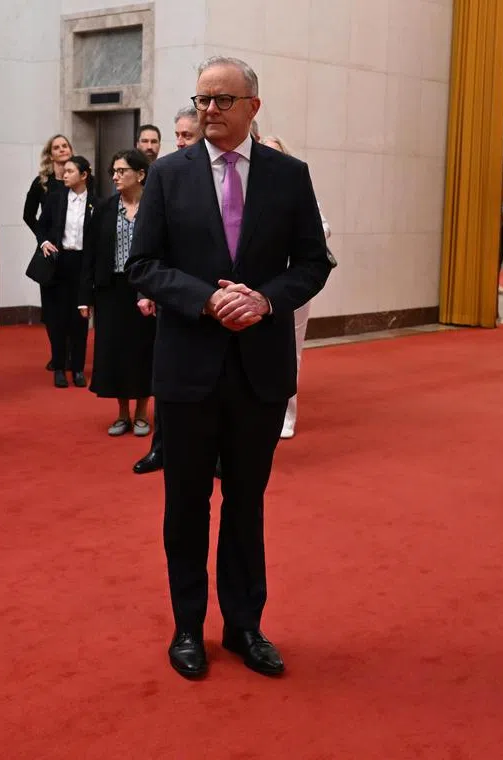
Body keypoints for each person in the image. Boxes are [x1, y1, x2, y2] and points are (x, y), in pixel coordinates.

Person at [127, 56, 331, 679]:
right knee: (186, 503)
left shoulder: (289, 176)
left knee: (246, 503)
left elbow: (313, 263)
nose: (209, 109)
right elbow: (143, 265)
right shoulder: (167, 175)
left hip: (258, 371)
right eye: (202, 99)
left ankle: (244, 625)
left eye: (222, 100)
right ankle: (188, 627)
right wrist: (205, 297)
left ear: (253, 107)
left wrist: (266, 299)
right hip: (188, 367)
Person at [132, 106, 203, 476]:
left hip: (210, 297)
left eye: (186, 136)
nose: (178, 142)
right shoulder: (166, 174)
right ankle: (160, 448)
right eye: (176, 135)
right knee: (167, 381)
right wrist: (150, 290)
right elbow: (149, 249)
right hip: (170, 295)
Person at [78, 149, 155, 435]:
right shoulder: (105, 208)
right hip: (111, 290)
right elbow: (91, 254)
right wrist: (84, 296)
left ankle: (143, 414)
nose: (116, 177)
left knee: (142, 351)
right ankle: (122, 413)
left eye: (122, 171)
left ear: (141, 174)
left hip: (146, 289)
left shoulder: (155, 206)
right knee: (115, 352)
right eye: (114, 171)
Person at [261, 134, 332, 439]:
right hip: (257, 285)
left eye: (275, 154)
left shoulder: (296, 187)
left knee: (291, 352)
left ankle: (286, 415)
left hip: (292, 285)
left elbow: (323, 227)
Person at [35, 155, 93, 388]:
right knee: (57, 318)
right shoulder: (56, 198)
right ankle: (59, 367)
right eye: (64, 170)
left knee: (80, 318)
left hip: (83, 263)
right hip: (58, 261)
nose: (64, 174)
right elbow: (41, 225)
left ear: (84, 175)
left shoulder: (96, 203)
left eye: (70, 171)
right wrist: (43, 242)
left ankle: (77, 368)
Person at [23, 134, 75, 371]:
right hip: (50, 251)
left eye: (65, 146)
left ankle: (72, 354)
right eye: (57, 147)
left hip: (75, 250)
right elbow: (28, 215)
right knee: (53, 308)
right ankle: (58, 355)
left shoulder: (81, 179)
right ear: (50, 154)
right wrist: (42, 239)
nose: (62, 149)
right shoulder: (41, 182)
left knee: (73, 305)